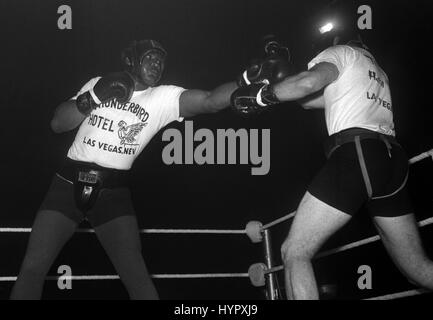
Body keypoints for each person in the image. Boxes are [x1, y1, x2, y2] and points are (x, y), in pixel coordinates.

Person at [11, 39, 238, 300]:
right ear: (131, 60)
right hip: (66, 185)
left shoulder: (163, 98)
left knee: (138, 279)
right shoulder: (98, 82)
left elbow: (210, 101)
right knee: (32, 268)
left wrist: (247, 82)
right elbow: (58, 123)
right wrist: (95, 96)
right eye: (150, 58)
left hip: (113, 195)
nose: (157, 64)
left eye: (161, 60)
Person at [231, 24, 433, 299]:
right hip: (391, 163)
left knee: (295, 251)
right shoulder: (376, 71)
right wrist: (275, 84)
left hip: (357, 154)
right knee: (418, 269)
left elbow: (308, 83)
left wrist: (260, 96)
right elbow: (308, 99)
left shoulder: (340, 52)